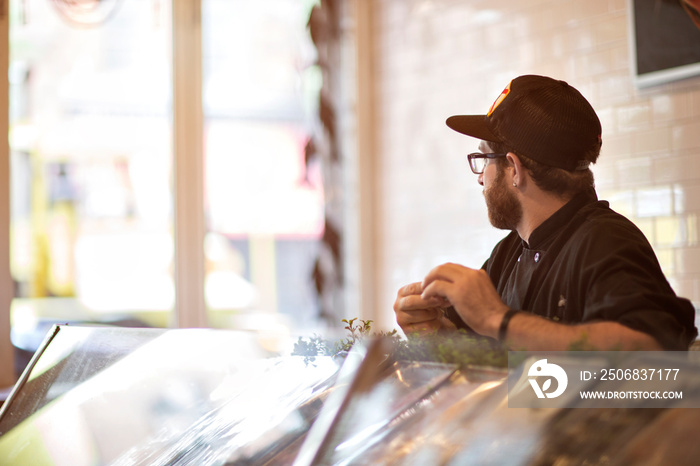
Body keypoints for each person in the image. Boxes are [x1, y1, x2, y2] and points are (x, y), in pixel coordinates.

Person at [393, 74, 698, 351]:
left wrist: (497, 319)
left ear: (514, 168)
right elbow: (492, 362)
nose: (480, 177)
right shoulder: (508, 253)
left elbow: (653, 350)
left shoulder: (605, 242)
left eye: (484, 158)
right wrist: (438, 332)